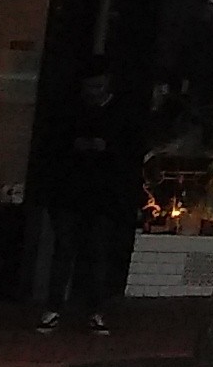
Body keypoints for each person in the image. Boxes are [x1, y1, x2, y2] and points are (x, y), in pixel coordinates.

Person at [40, 60, 144, 337]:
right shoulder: (82, 112)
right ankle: (72, 309)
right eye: (90, 86)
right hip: (79, 194)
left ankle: (83, 309)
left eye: (97, 86)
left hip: (96, 195)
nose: (93, 92)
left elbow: (129, 153)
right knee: (75, 251)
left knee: (87, 252)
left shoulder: (90, 113)